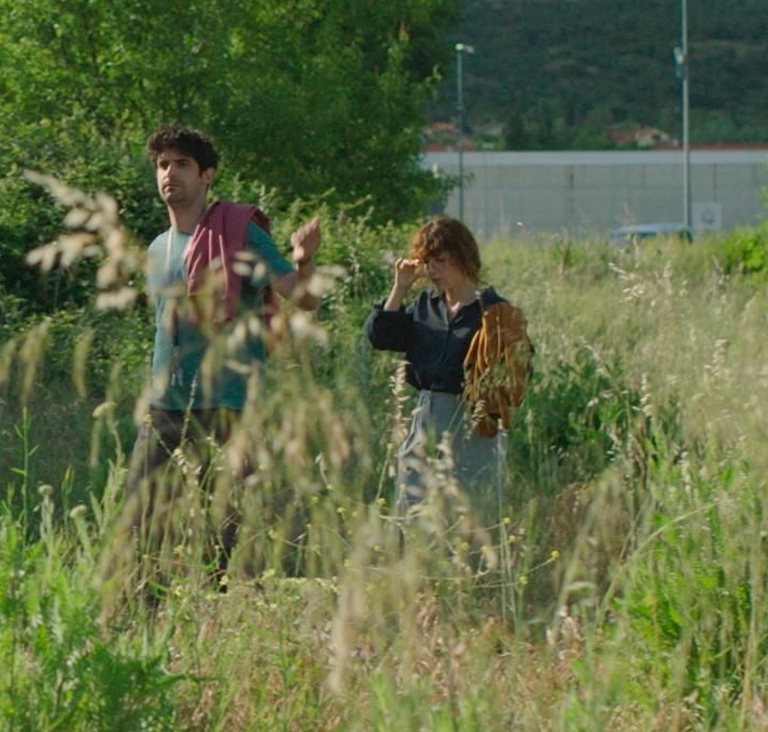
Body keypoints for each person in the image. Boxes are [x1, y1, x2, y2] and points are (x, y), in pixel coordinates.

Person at [118, 124, 322, 587]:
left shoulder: (239, 233)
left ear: (207, 175)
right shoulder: (156, 248)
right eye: (162, 165)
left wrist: (303, 259)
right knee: (141, 517)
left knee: (227, 528)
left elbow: (304, 298)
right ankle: (145, 609)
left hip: (230, 403)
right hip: (166, 404)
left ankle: (218, 609)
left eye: (182, 164)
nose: (170, 173)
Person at [364, 215, 530, 522]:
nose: (432, 270)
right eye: (427, 262)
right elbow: (381, 337)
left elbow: (517, 376)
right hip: (426, 416)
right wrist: (399, 289)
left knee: (471, 517)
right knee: (412, 511)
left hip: (473, 422)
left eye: (440, 261)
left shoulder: (495, 312)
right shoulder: (425, 305)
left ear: (463, 258)